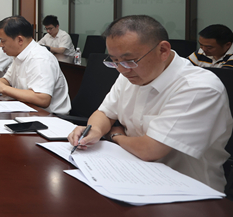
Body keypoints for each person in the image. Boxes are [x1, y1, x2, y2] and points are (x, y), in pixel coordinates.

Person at [68, 15, 232, 192]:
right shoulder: (130, 74)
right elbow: (104, 113)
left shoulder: (199, 88)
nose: (122, 69)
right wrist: (95, 130)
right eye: (115, 61)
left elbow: (150, 150)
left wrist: (115, 135)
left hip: (186, 190)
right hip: (131, 172)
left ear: (163, 50)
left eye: (129, 60)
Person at [0, 16, 71, 114]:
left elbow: (43, 99)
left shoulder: (40, 58)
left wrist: (3, 88)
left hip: (49, 116)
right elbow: (7, 80)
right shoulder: (19, 54)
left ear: (20, 40)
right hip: (27, 109)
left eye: (3, 41)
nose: (0, 45)